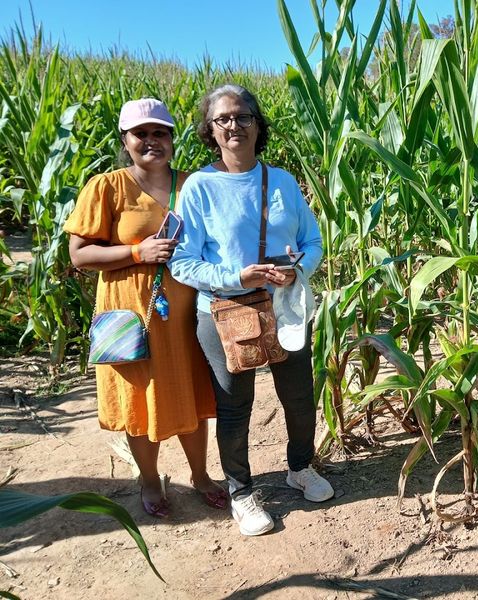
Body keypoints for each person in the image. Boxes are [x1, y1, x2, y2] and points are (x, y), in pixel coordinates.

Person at [169, 83, 333, 537]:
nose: (234, 125)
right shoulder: (199, 187)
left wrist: (298, 271)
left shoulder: (280, 181)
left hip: (285, 305)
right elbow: (183, 261)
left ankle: (300, 467)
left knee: (299, 395)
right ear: (210, 129)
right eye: (223, 118)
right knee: (235, 405)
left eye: (243, 116)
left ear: (259, 125)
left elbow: (313, 242)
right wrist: (237, 277)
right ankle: (241, 492)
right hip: (223, 310)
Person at [65, 98, 228, 518]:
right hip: (131, 317)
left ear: (172, 139)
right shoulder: (107, 186)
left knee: (191, 395)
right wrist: (138, 251)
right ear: (126, 140)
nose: (152, 141)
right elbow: (80, 256)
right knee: (139, 401)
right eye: (141, 133)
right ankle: (150, 481)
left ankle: (201, 475)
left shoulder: (192, 184)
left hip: (186, 314)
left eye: (161, 132)